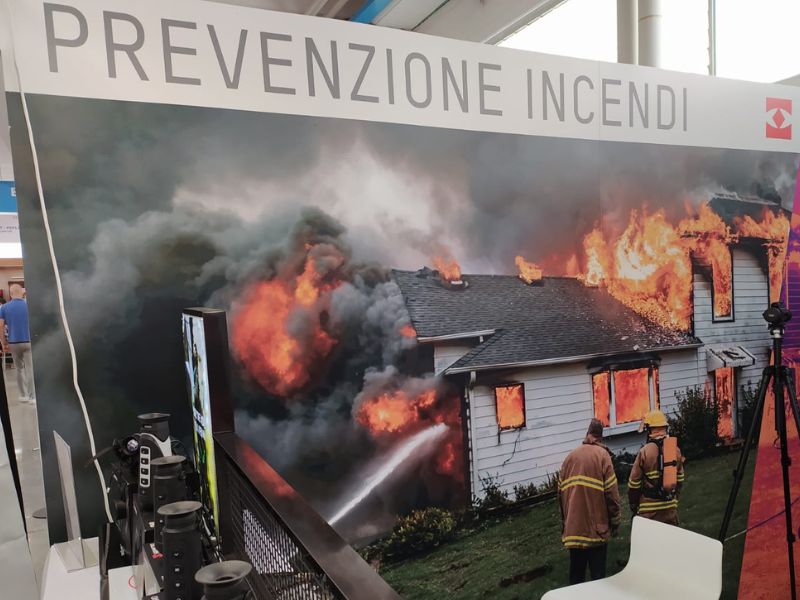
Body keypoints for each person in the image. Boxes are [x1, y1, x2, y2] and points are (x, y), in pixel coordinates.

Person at [558, 418, 621, 584]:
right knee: (598, 580)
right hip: (596, 532)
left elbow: (560, 495)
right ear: (601, 437)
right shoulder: (602, 456)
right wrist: (615, 522)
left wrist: (566, 523)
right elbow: (612, 494)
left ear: (587, 433)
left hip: (573, 529)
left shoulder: (569, 458)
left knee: (576, 579)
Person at [628, 409, 685, 525]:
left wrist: (633, 506)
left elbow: (633, 484)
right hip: (670, 510)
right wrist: (673, 500)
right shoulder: (675, 450)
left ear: (649, 429)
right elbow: (680, 479)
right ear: (665, 428)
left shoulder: (644, 452)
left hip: (649, 512)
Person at [0, 284, 35, 402]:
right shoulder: (29, 306)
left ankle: (23, 396)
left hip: (13, 342)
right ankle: (32, 397)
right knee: (30, 369)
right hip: (28, 341)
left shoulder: (4, 307)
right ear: (22, 292)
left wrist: (3, 343)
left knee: (19, 369)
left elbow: (1, 326)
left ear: (10, 294)